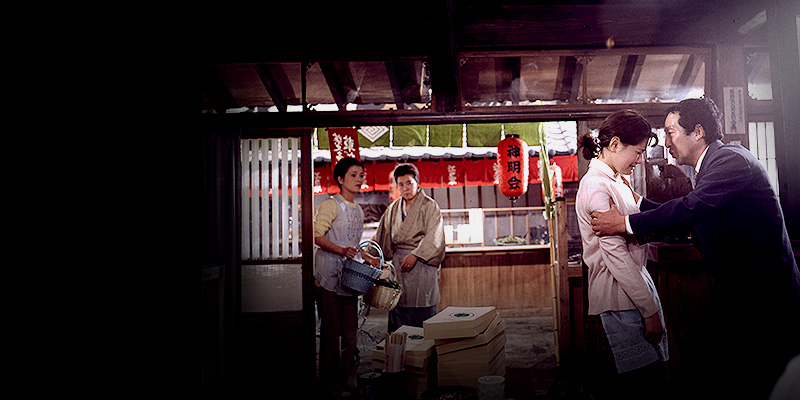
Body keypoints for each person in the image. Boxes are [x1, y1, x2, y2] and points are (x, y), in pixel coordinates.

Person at [591, 97, 800, 399]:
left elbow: (692, 208)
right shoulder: (713, 165)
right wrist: (639, 204)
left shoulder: (730, 160)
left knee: (770, 381)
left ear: (698, 132)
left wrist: (625, 223)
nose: (666, 143)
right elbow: (691, 218)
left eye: (670, 132)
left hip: (767, 296)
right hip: (745, 292)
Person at [575, 109, 668, 399]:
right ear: (614, 144)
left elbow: (644, 209)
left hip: (631, 295)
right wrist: (650, 311)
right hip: (616, 302)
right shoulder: (596, 186)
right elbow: (617, 258)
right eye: (637, 152)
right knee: (625, 392)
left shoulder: (616, 180)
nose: (639, 160)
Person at [313, 157, 372, 399]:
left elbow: (353, 245)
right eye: (353, 175)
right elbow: (316, 236)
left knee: (350, 332)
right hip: (328, 278)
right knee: (330, 334)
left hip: (349, 279)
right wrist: (340, 250)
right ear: (340, 179)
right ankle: (331, 385)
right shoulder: (331, 204)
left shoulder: (358, 210)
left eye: (361, 175)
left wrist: (367, 257)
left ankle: (350, 380)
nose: (359, 179)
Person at [368, 163, 446, 333]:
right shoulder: (393, 209)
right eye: (401, 184)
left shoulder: (429, 206)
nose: (405, 188)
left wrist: (416, 255)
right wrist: (366, 253)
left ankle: (423, 349)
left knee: (423, 313)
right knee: (398, 312)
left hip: (422, 264)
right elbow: (381, 235)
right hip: (399, 267)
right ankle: (399, 350)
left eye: (409, 183)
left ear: (417, 182)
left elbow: (435, 236)